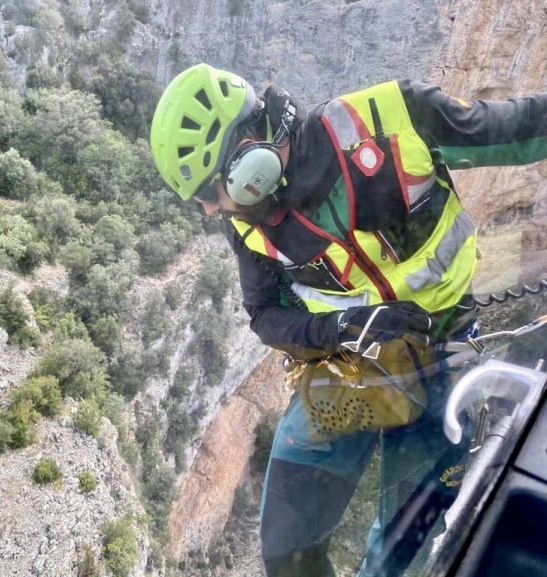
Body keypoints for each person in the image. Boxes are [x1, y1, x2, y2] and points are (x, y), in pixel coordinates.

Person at [149, 63, 547, 576]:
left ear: (247, 160)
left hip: (441, 361)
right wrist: (339, 329)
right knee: (287, 553)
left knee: (400, 551)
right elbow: (264, 315)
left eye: (209, 192)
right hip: (348, 369)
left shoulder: (392, 120)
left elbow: (523, 127)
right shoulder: (248, 222)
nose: (209, 210)